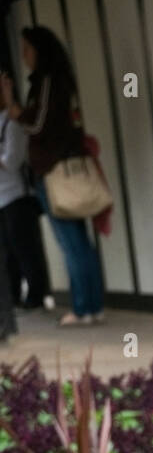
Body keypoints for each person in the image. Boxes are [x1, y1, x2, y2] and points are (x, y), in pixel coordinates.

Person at [1, 27, 104, 326]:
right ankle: (91, 306)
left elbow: (38, 125)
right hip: (70, 168)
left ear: (40, 51)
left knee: (71, 242)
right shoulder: (61, 80)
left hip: (55, 171)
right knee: (80, 241)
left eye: (27, 49)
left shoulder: (46, 82)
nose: (24, 56)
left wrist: (14, 108)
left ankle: (83, 308)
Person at [0, 86, 52, 311]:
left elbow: (13, 160)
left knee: (25, 248)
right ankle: (14, 297)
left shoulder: (11, 123)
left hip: (17, 195)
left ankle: (36, 296)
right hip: (2, 198)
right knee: (8, 251)